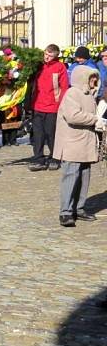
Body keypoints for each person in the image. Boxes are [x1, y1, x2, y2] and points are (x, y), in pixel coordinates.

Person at [53, 66, 103, 226]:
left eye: (95, 77)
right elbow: (73, 116)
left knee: (84, 176)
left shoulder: (89, 94)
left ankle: (79, 208)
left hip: (86, 142)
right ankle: (65, 212)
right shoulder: (73, 93)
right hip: (73, 142)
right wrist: (95, 119)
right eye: (92, 77)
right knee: (71, 176)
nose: (94, 80)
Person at [29, 44, 69, 171]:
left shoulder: (60, 67)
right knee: (38, 135)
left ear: (56, 56)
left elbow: (64, 87)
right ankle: (38, 159)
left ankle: (55, 157)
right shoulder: (38, 65)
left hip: (53, 107)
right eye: (46, 54)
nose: (46, 57)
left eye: (50, 56)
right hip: (37, 105)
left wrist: (61, 105)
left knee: (52, 134)